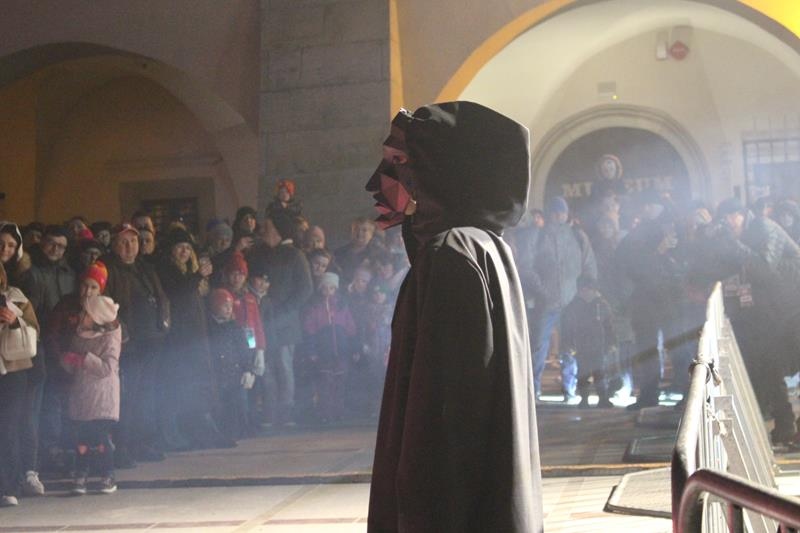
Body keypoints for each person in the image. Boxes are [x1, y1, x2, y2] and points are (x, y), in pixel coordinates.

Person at [366, 102, 542, 532]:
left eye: (401, 162)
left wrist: (421, 513)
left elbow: (444, 416)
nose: (384, 181)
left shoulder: (451, 253)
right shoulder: (480, 243)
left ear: (440, 169)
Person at [102, 223, 170, 466]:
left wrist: (164, 322)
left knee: (146, 395)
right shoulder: (108, 270)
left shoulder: (145, 268)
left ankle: (142, 443)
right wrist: (122, 331)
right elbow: (105, 305)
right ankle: (123, 448)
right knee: (127, 397)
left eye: (133, 241)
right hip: (128, 345)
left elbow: (161, 297)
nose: (129, 246)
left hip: (152, 340)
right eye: (123, 242)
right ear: (114, 245)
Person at [529, 196, 598, 398]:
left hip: (572, 301)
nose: (559, 215)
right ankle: (533, 388)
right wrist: (540, 290)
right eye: (555, 212)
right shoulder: (538, 237)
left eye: (562, 212)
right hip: (546, 302)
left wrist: (587, 291)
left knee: (571, 346)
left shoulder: (578, 236)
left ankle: (570, 387)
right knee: (538, 346)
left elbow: (589, 264)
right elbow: (528, 267)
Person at [252, 213, 313, 427]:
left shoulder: (295, 255)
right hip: (263, 321)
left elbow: (305, 289)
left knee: (284, 367)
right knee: (266, 367)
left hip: (285, 323)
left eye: (268, 227)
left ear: (278, 231)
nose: (263, 231)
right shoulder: (260, 254)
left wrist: (285, 309)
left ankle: (286, 412)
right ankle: (269, 412)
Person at [60, 294, 122, 495]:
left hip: (102, 397)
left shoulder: (110, 338)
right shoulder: (80, 334)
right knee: (82, 439)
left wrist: (84, 359)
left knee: (102, 438)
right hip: (82, 395)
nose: (82, 316)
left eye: (86, 313)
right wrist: (67, 361)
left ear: (96, 318)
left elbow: (107, 368)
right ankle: (81, 473)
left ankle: (107, 474)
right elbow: (72, 364)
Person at [0, 262, 39, 507]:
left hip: (13, 371)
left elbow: (34, 330)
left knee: (7, 428)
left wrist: (14, 321)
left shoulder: (16, 297)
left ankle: (8, 486)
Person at [302, 273, 357, 424]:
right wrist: (312, 350)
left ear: (336, 289)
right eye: (325, 288)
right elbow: (310, 330)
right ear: (321, 289)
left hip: (341, 351)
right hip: (323, 352)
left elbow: (351, 328)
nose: (328, 291)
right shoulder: (315, 307)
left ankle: (339, 412)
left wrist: (354, 348)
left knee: (340, 382)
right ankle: (325, 413)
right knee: (325, 383)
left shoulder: (342, 306)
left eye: (332, 288)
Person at [560, 276, 617, 408]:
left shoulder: (601, 305)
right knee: (582, 373)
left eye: (588, 289)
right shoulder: (573, 307)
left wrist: (611, 342)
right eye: (583, 290)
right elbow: (567, 328)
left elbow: (609, 326)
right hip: (581, 345)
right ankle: (584, 398)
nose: (585, 293)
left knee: (600, 372)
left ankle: (602, 397)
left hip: (599, 345)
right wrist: (568, 344)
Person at [206, 288, 251, 441]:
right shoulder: (209, 328)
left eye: (230, 306)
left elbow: (243, 348)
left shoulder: (234, 327)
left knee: (237, 404)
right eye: (224, 306)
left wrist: (247, 369)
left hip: (234, 373)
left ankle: (239, 430)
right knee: (222, 405)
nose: (228, 309)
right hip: (218, 374)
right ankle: (224, 432)